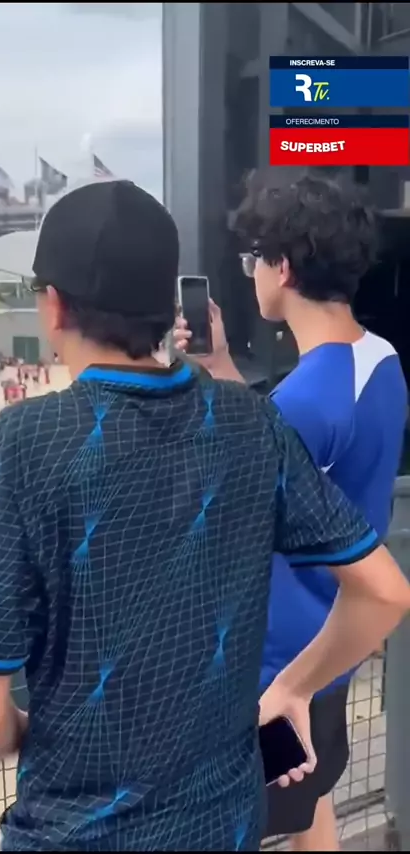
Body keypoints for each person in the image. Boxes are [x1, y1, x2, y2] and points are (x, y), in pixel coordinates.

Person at [0, 181, 409, 854]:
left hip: (75, 831)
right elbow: (385, 592)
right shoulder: (254, 421)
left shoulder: (24, 443)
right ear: (168, 305)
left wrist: (40, 736)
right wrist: (295, 688)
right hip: (222, 823)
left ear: (54, 305)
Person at [174, 171, 408, 851]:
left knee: (236, 825)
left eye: (254, 259)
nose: (251, 274)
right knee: (310, 804)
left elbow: (240, 482)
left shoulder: (305, 400)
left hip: (279, 667)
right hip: (332, 642)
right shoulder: (378, 361)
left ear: (282, 268)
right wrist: (221, 362)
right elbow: (287, 444)